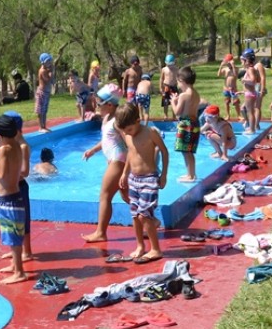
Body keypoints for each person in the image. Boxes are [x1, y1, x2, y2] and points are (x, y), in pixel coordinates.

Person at [114, 102, 168, 263]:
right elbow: (131, 153)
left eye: (129, 129)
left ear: (138, 121)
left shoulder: (150, 132)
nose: (126, 133)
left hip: (149, 179)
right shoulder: (128, 135)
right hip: (133, 179)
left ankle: (156, 249)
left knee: (144, 215)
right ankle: (140, 246)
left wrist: (163, 175)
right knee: (135, 216)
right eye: (123, 130)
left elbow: (164, 152)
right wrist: (124, 173)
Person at [80, 84, 129, 243]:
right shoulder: (107, 118)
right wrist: (93, 150)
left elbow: (129, 143)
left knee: (105, 195)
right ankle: (150, 220)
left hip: (119, 161)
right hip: (114, 161)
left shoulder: (117, 121)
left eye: (99, 103)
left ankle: (101, 232)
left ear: (109, 105)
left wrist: (126, 169)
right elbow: (107, 140)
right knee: (127, 196)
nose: (96, 106)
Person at [0, 114, 29, 284]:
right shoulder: (17, 146)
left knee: (13, 237)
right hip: (16, 197)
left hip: (8, 200)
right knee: (14, 235)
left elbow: (2, 175)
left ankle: (19, 272)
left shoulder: (4, 150)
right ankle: (15, 265)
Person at [170, 66, 201, 183]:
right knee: (189, 151)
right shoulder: (196, 94)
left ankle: (190, 176)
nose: (178, 84)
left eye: (178, 82)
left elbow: (177, 112)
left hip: (185, 124)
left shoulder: (183, 96)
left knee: (185, 151)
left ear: (182, 81)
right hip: (195, 123)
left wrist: (173, 102)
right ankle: (192, 174)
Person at [240, 50, 261, 135]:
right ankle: (251, 127)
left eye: (242, 60)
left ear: (246, 61)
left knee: (250, 112)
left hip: (250, 94)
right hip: (250, 93)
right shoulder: (253, 69)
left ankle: (252, 129)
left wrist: (244, 79)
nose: (242, 62)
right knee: (247, 110)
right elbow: (258, 79)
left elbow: (253, 81)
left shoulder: (250, 69)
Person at [218, 54, 242, 120]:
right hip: (226, 89)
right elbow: (218, 75)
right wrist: (221, 66)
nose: (228, 64)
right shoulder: (225, 69)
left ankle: (239, 115)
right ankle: (228, 115)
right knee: (227, 102)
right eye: (227, 62)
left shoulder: (236, 68)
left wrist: (233, 66)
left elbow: (235, 75)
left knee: (236, 102)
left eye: (228, 62)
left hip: (234, 89)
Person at [36, 53, 54, 132]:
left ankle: (44, 126)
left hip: (46, 92)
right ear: (43, 62)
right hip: (42, 93)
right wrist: (52, 72)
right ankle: (40, 127)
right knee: (40, 110)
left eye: (50, 61)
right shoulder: (42, 71)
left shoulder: (46, 70)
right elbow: (48, 80)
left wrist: (50, 71)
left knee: (45, 110)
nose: (49, 63)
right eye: (48, 61)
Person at [159, 54, 180, 119]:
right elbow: (161, 79)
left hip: (174, 87)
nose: (170, 66)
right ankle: (166, 115)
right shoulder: (164, 69)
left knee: (174, 101)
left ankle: (174, 116)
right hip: (166, 87)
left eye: (171, 64)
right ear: (166, 63)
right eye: (168, 64)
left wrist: (179, 86)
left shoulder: (176, 69)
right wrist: (160, 87)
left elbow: (179, 78)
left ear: (174, 63)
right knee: (165, 102)